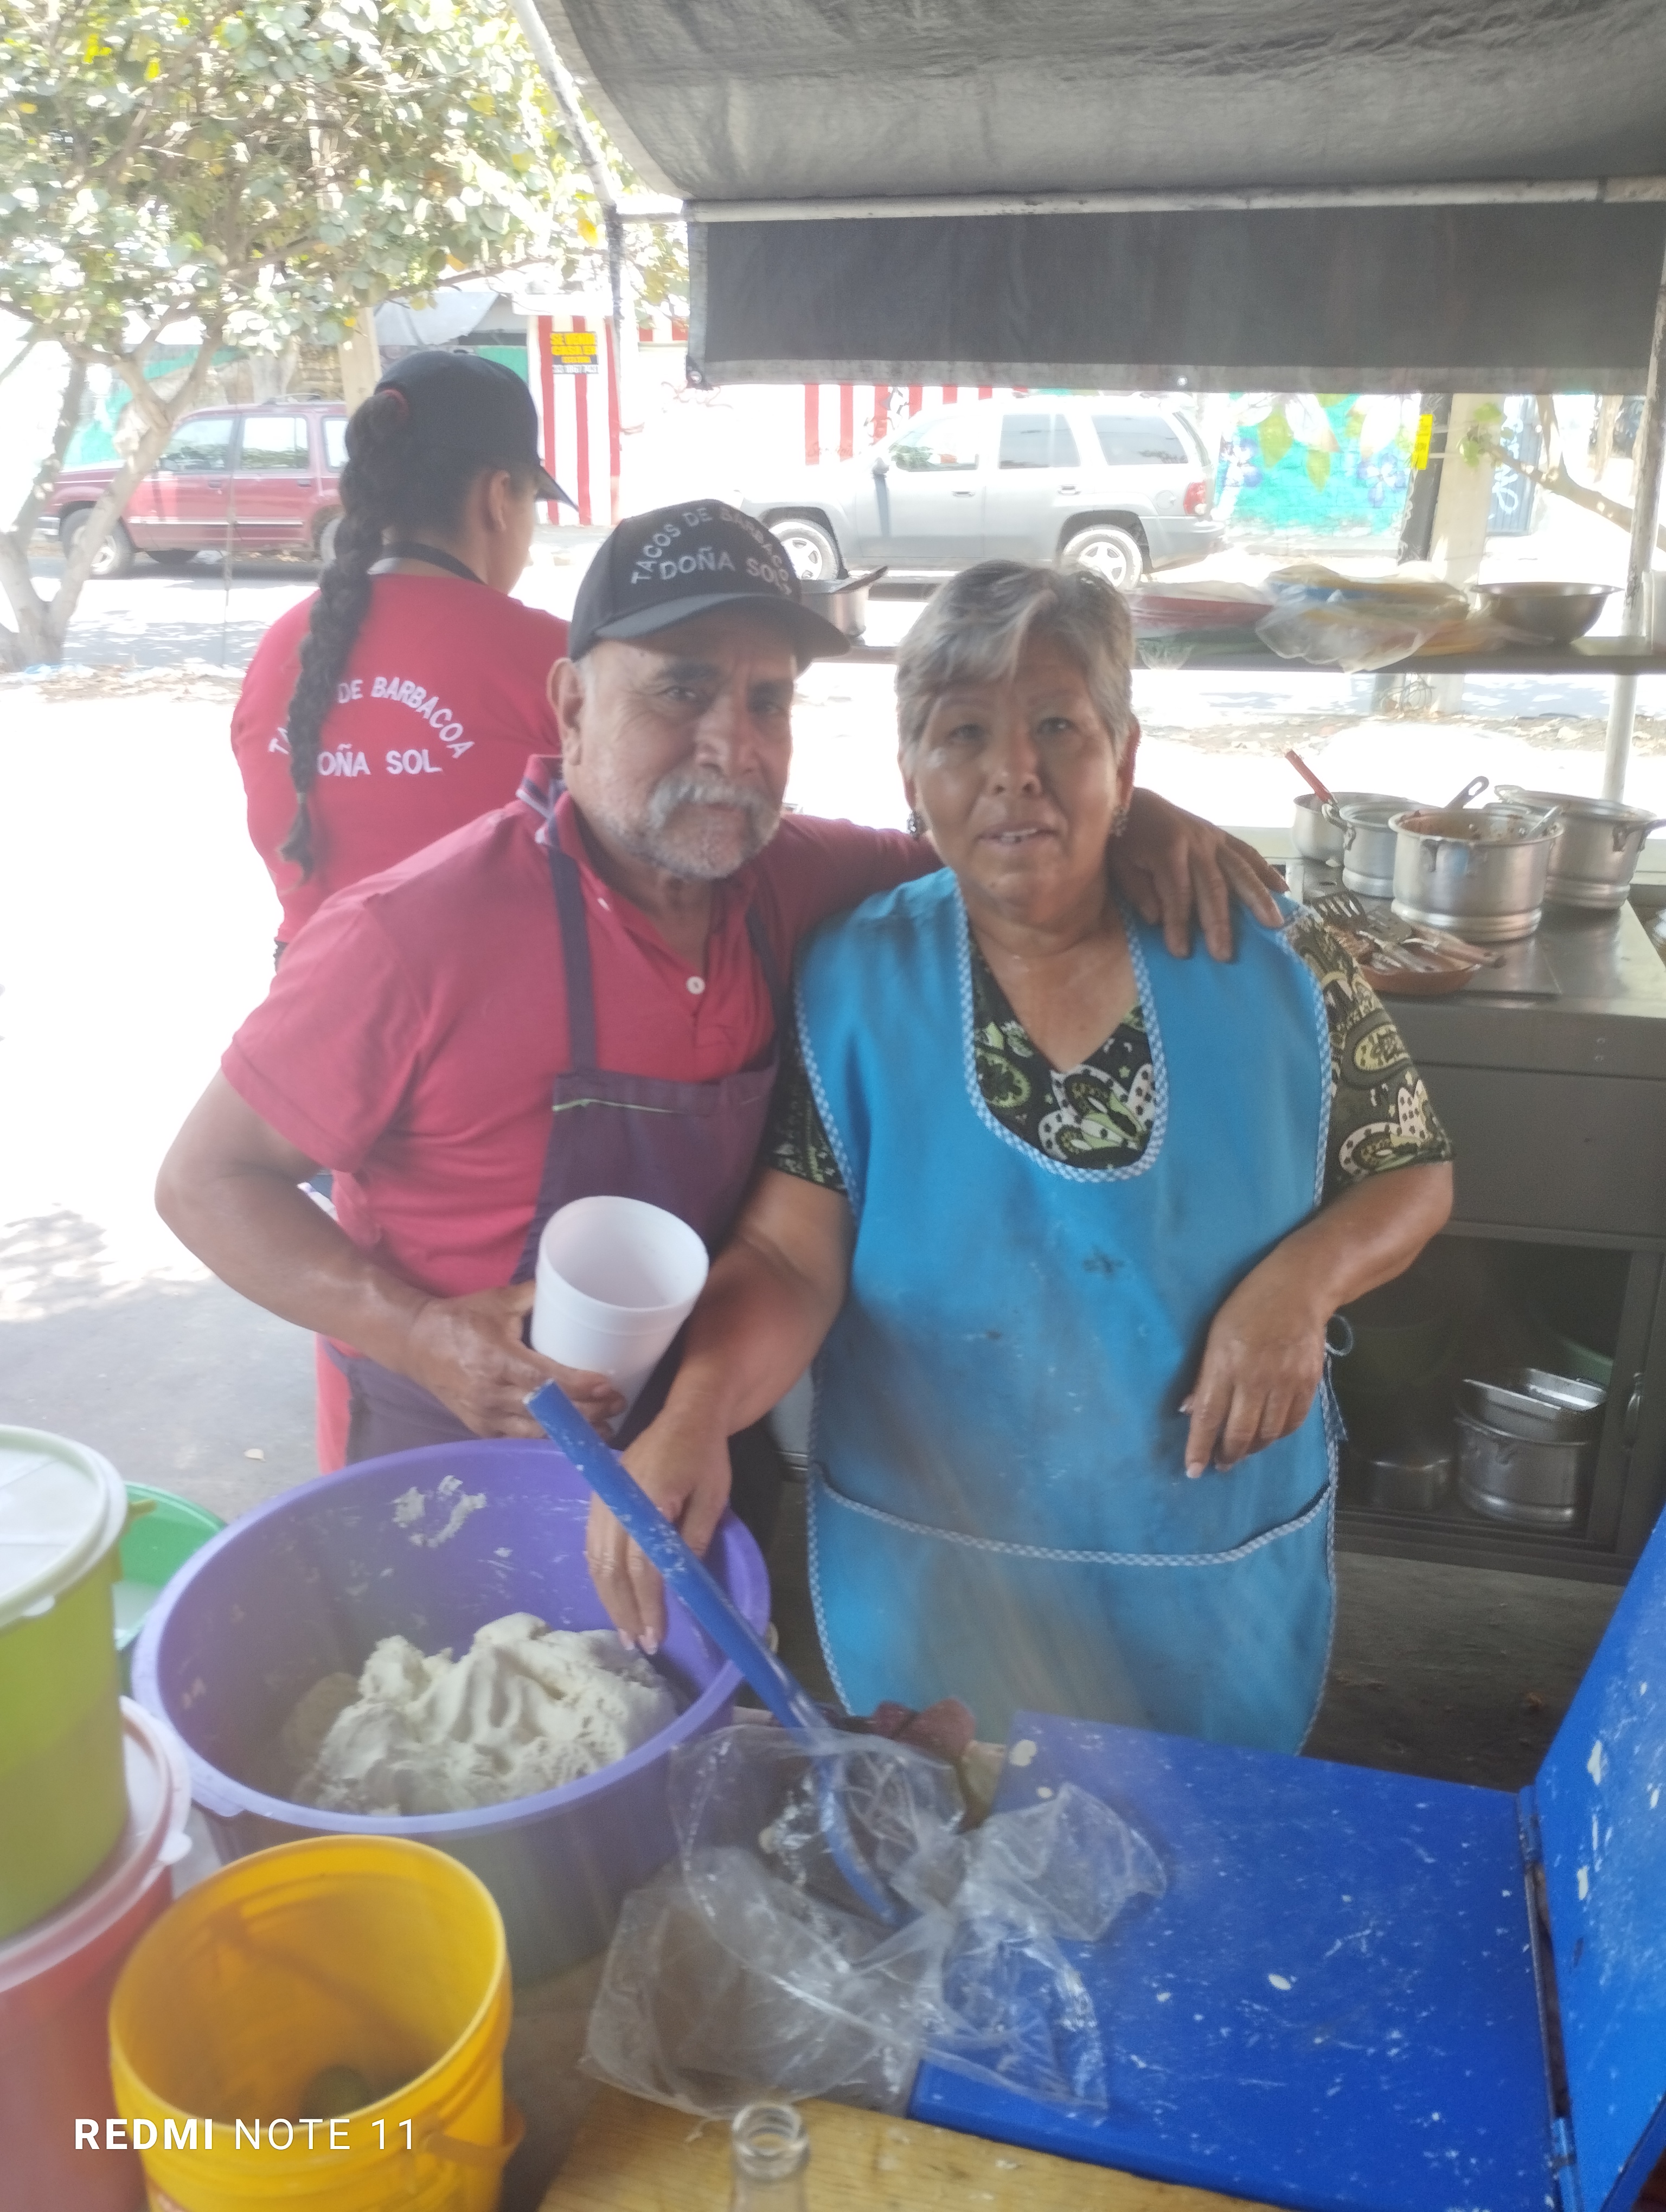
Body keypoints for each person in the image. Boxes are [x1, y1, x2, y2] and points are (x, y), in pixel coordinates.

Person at [158, 506, 1285, 1499]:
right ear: (571, 705)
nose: (732, 748)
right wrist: (413, 1333)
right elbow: (205, 1180)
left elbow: (980, 830)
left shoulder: (787, 881)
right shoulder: (410, 936)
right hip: (454, 1461)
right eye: (682, 689)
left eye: (765, 700)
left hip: (695, 1447)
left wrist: (1138, 811)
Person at [586, 560, 1455, 1749]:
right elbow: (790, 1260)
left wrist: (1298, 1288)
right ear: (910, 780)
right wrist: (691, 1413)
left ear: (1125, 757)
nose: (1015, 774)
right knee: (958, 1869)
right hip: (940, 1573)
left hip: (1207, 1571)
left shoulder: (1268, 955)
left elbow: (1413, 1167)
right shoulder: (851, 977)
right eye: (963, 734)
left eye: (1059, 725)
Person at [230, 348, 574, 954]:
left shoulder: (280, 648)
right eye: (530, 503)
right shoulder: (555, 662)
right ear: (498, 497)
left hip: (308, 1016)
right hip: (481, 1021)